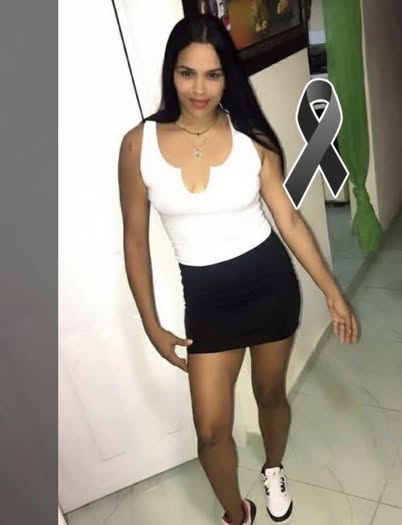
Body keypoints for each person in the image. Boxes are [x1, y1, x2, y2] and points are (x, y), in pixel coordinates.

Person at [117, 14, 359, 525]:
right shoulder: (139, 146)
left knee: (270, 394)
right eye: (187, 73)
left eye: (213, 74)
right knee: (210, 431)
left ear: (228, 77)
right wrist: (152, 325)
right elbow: (135, 243)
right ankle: (236, 513)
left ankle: (273, 468)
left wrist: (333, 292)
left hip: (270, 288)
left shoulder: (252, 139)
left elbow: (289, 220)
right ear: (171, 73)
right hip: (208, 304)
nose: (199, 89)